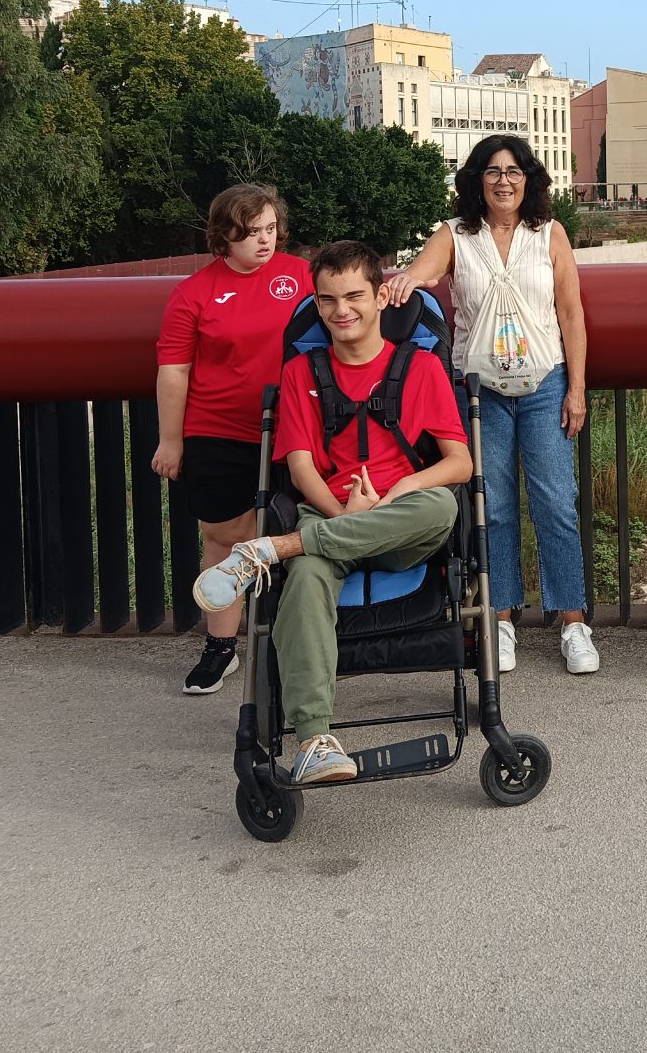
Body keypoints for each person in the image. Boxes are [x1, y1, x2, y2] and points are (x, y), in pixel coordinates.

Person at [190, 242, 471, 783]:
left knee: (440, 504)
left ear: (379, 298)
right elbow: (299, 469)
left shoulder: (421, 368)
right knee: (307, 576)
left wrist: (396, 491)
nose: (342, 311)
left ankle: (274, 550)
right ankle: (314, 741)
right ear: (316, 304)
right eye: (327, 300)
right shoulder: (302, 373)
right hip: (328, 511)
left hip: (402, 518)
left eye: (355, 296)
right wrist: (343, 514)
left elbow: (459, 463)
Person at [389, 135, 597, 676]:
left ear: (528, 179)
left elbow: (571, 312)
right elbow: (424, 270)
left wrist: (576, 388)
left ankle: (573, 622)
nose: (503, 181)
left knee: (556, 502)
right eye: (492, 171)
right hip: (479, 390)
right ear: (477, 180)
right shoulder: (455, 235)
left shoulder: (549, 233)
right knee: (495, 507)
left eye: (513, 171)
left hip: (546, 382)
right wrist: (405, 280)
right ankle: (500, 619)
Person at [153, 184, 312, 694]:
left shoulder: (301, 275)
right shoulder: (194, 292)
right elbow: (174, 370)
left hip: (295, 425)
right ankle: (221, 647)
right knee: (223, 537)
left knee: (308, 526)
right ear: (223, 236)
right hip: (216, 428)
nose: (264, 241)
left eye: (270, 229)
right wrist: (171, 441)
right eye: (250, 232)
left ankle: (302, 640)